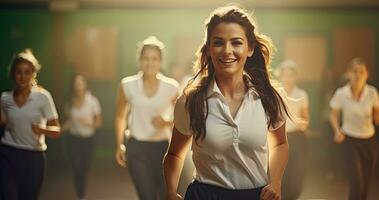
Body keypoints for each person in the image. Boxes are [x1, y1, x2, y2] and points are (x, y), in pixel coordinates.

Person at [163, 5, 289, 200]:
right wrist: (170, 191)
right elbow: (174, 154)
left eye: (236, 42)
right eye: (219, 43)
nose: (227, 51)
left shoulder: (268, 98)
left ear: (250, 48)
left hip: (256, 195)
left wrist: (276, 182)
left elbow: (280, 143)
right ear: (209, 49)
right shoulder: (190, 101)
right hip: (205, 195)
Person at [115, 36, 180, 200]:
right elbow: (120, 115)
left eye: (154, 59)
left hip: (164, 149)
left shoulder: (171, 87)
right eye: (145, 58)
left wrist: (166, 122)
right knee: (147, 196)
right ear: (139, 60)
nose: (149, 63)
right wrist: (119, 145)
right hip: (137, 148)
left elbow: (183, 120)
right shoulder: (127, 85)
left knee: (162, 194)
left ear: (160, 61)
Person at [0, 49, 61, 200]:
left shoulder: (43, 97)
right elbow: (3, 122)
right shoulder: (4, 98)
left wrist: (42, 129)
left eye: (27, 72)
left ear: (33, 74)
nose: (22, 76)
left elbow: (57, 130)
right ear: (13, 74)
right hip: (8, 153)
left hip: (33, 157)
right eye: (19, 72)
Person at [329, 58, 379, 200]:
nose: (358, 75)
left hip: (369, 142)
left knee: (365, 186)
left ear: (367, 75)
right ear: (348, 74)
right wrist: (337, 130)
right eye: (354, 71)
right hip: (349, 140)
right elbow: (333, 115)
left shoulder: (372, 93)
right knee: (356, 183)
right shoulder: (341, 93)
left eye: (361, 72)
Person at [62, 74, 102, 200]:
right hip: (73, 140)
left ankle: (81, 192)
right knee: (77, 168)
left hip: (88, 140)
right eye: (75, 84)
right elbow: (69, 121)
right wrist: (59, 129)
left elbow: (99, 122)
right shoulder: (69, 102)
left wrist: (88, 122)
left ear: (85, 84)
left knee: (84, 168)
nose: (78, 86)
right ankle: (81, 196)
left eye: (80, 83)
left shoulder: (93, 101)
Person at [277, 60, 309, 200]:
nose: (288, 78)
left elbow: (306, 118)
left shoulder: (301, 93)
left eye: (291, 75)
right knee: (282, 172)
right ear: (281, 76)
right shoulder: (276, 92)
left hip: (297, 137)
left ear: (295, 77)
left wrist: (302, 124)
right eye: (285, 74)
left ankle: (293, 196)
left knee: (297, 173)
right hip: (278, 137)